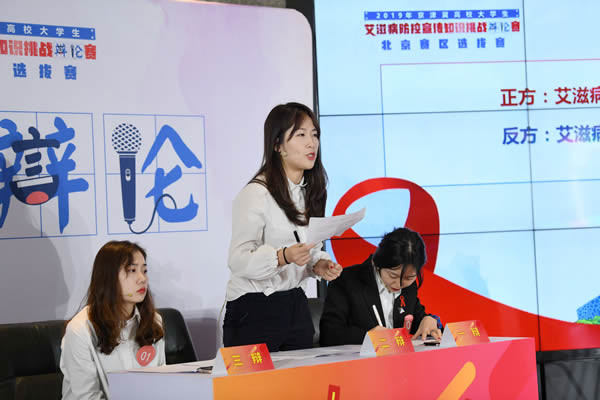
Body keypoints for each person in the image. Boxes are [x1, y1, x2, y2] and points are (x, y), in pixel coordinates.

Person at [224, 102, 343, 352]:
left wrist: (318, 264)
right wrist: (282, 257)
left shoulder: (311, 192)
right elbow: (238, 260)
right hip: (253, 308)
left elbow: (308, 246)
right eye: (301, 135)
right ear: (278, 145)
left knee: (302, 377)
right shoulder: (256, 193)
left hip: (296, 304)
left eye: (314, 134)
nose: (311, 143)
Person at [60, 241, 165, 399]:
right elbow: (87, 397)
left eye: (144, 270)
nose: (142, 278)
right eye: (132, 270)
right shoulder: (80, 330)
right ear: (108, 277)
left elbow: (162, 383)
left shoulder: (154, 321)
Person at [320, 227, 442, 346]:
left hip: (398, 357)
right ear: (377, 262)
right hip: (359, 358)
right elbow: (329, 334)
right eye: (393, 275)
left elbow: (415, 319)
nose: (399, 284)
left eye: (409, 278)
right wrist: (369, 336)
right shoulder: (346, 281)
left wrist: (428, 321)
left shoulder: (409, 286)